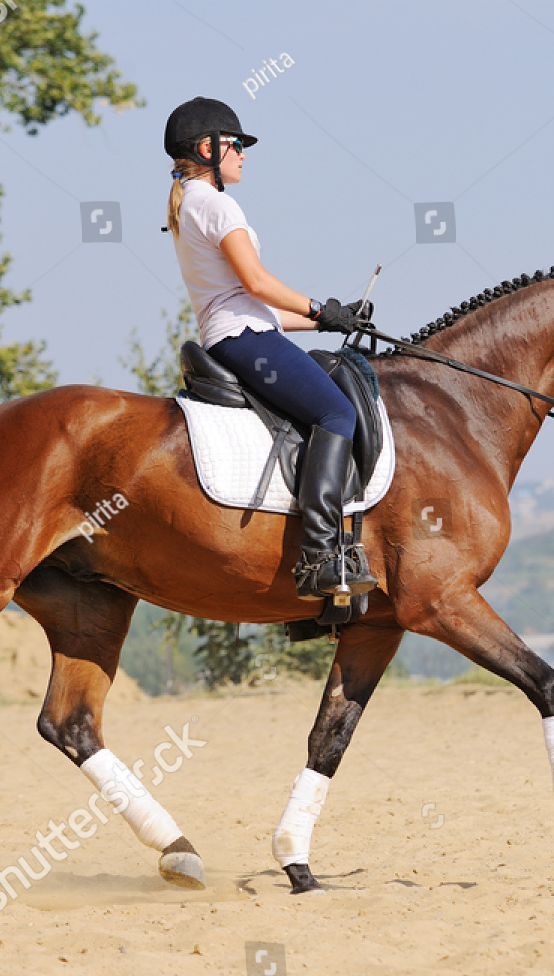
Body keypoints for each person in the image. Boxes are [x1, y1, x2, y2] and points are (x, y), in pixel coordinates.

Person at [163, 96, 377, 601]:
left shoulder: (190, 203)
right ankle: (322, 553)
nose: (243, 153)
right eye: (236, 144)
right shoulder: (216, 203)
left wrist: (325, 321)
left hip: (243, 332)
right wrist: (321, 307)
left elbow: (253, 304)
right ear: (207, 148)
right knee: (336, 414)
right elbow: (256, 284)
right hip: (244, 340)